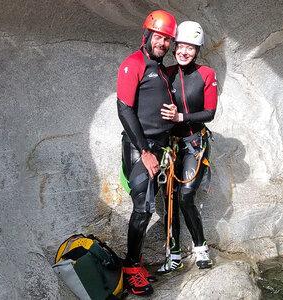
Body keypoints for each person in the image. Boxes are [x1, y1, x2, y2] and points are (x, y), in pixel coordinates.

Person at [116, 10, 177, 296]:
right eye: (159, 37)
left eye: (167, 40)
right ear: (147, 35)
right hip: (140, 148)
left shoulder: (160, 69)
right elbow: (124, 108)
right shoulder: (134, 63)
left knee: (147, 208)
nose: (162, 43)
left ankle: (136, 263)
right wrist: (144, 151)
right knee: (142, 209)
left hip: (158, 146)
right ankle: (130, 270)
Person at [158, 21, 218, 274]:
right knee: (169, 199)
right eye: (180, 46)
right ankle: (173, 255)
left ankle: (200, 248)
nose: (184, 51)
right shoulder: (165, 73)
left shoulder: (207, 74)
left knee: (185, 197)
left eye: (190, 48)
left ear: (197, 50)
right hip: (170, 145)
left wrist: (180, 117)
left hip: (194, 143)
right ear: (174, 47)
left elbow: (210, 112)